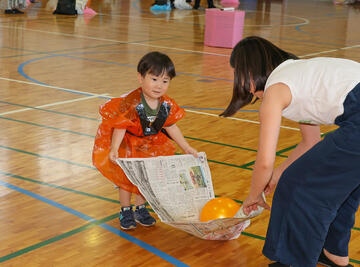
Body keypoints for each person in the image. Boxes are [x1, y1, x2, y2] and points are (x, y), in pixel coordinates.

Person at [220, 36, 360, 267]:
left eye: (238, 74)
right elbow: (310, 142)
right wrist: (277, 174)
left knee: (299, 188)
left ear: (249, 70)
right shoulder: (297, 77)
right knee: (340, 191)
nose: (241, 84)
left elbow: (264, 161)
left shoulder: (277, 90)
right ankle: (334, 254)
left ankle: (293, 262)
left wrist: (254, 194)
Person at [93, 51, 197, 230]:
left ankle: (140, 209)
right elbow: (121, 126)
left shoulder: (166, 104)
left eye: (165, 81)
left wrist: (186, 147)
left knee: (146, 179)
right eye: (154, 79)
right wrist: (114, 149)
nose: (159, 85)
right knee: (126, 180)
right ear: (141, 78)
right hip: (128, 144)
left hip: (151, 145)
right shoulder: (132, 102)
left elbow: (171, 127)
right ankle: (125, 210)